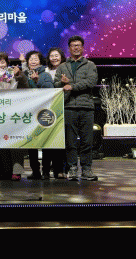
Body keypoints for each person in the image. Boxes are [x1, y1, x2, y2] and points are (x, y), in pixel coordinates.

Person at [54, 35, 99, 181]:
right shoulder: (62, 66)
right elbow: (56, 85)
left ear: (83, 48)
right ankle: (72, 168)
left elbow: (90, 82)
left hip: (86, 107)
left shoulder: (90, 65)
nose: (76, 48)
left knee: (87, 141)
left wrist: (71, 86)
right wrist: (62, 83)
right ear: (69, 48)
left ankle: (86, 169)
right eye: (73, 45)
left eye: (78, 45)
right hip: (68, 106)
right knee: (70, 141)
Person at [0, 52, 29, 181]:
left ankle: (17, 171)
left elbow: (25, 87)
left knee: (15, 141)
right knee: (2, 142)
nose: (1, 65)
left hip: (15, 111)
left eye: (3, 62)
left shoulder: (14, 73)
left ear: (7, 62)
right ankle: (5, 171)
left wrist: (19, 75)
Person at [23, 50, 54, 180]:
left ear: (40, 61)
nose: (33, 61)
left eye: (36, 59)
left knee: (46, 142)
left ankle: (46, 170)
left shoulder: (45, 75)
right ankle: (35, 170)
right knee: (32, 143)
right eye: (30, 59)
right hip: (28, 113)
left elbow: (50, 91)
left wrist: (37, 82)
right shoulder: (24, 75)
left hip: (43, 112)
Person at [45, 47, 67, 179]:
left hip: (64, 107)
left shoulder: (66, 69)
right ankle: (46, 171)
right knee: (48, 141)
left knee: (61, 140)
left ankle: (60, 169)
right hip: (48, 109)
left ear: (62, 57)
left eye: (56, 55)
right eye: (52, 56)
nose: (54, 58)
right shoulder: (46, 71)